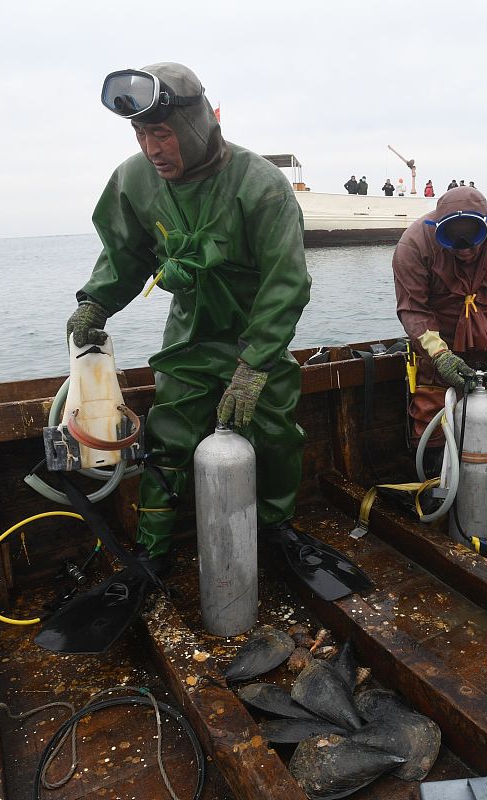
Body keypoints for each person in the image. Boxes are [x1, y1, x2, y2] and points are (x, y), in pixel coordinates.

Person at [66, 62, 311, 572]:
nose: (151, 149)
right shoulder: (133, 182)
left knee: (276, 436)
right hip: (189, 341)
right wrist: (96, 301)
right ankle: (152, 548)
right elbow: (124, 256)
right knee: (168, 439)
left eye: (161, 133)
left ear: (196, 125)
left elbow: (285, 283)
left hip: (256, 342)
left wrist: (255, 364)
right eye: (140, 134)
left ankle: (276, 528)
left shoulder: (260, 184)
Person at [391, 186, 487, 486]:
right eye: (454, 241)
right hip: (437, 345)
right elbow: (413, 310)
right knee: (430, 414)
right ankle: (433, 486)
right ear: (437, 231)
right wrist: (439, 356)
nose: (464, 249)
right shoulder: (413, 246)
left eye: (472, 238)